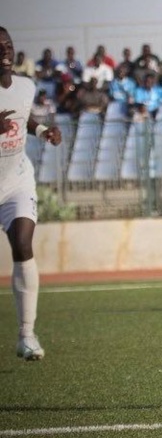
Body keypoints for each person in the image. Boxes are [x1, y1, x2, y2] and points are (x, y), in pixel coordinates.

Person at [0, 27, 63, 360]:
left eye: (7, 45)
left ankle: (27, 335)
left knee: (23, 244)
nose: (4, 51)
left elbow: (22, 119)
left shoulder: (25, 86)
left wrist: (43, 130)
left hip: (16, 181)